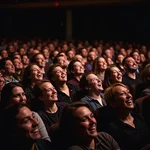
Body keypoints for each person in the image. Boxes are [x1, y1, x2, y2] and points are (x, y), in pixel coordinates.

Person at [104, 83, 150, 150]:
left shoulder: (139, 117)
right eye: (122, 94)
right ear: (113, 103)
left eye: (128, 92)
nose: (129, 96)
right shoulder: (113, 128)